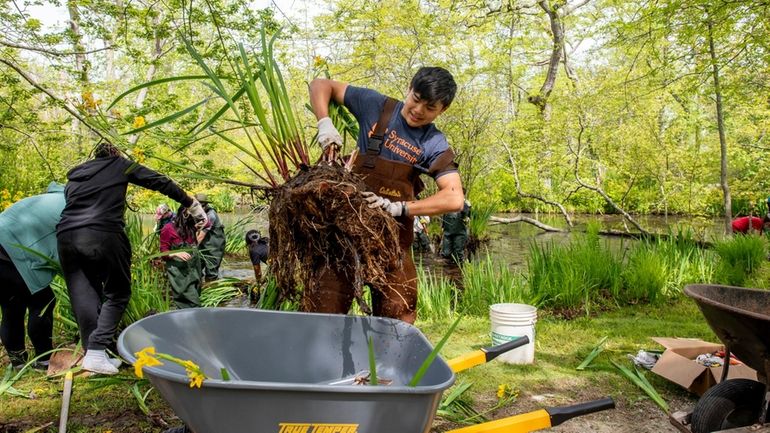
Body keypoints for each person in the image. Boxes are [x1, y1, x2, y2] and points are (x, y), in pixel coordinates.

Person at [307, 66, 464, 323]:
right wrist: (324, 122)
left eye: (430, 108)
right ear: (409, 89)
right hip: (342, 239)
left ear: (442, 110)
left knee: (399, 316)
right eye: (416, 99)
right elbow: (321, 85)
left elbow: (454, 197)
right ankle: (321, 361)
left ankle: (387, 362)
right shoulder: (376, 106)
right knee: (322, 312)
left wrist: (400, 208)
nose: (418, 110)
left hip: (392, 245)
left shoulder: (433, 143)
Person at [56, 141, 206, 375]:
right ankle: (97, 351)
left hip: (66, 236)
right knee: (118, 292)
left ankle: (94, 355)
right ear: (115, 154)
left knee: (84, 295)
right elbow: (159, 181)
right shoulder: (119, 164)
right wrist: (190, 203)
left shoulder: (75, 178)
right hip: (103, 232)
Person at [0, 182, 64, 370]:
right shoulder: (72, 207)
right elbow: (65, 253)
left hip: (6, 249)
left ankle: (17, 361)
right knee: (43, 302)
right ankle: (43, 360)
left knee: (11, 305)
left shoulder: (48, 198)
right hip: (9, 253)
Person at [160, 206, 203, 309]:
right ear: (184, 215)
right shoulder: (168, 229)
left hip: (194, 269)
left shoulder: (190, 227)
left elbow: (208, 223)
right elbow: (162, 253)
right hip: (179, 273)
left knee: (195, 297)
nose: (195, 222)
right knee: (193, 303)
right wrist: (176, 253)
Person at [195, 193, 225, 282]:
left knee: (211, 273)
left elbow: (201, 235)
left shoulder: (210, 215)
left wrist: (191, 247)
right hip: (203, 245)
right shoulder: (197, 213)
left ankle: (211, 289)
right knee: (196, 268)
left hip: (215, 246)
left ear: (205, 205)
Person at [441, 198, 471, 263]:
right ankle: (446, 271)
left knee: (458, 254)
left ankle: (458, 270)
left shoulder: (465, 204)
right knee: (446, 253)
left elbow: (467, 216)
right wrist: (443, 226)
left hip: (459, 233)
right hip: (447, 233)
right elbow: (444, 216)